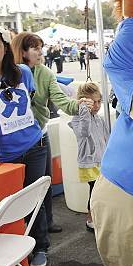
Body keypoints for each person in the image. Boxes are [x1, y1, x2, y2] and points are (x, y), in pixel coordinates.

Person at [11, 32, 92, 236]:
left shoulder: (45, 73)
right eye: (35, 48)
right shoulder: (9, 75)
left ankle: (47, 223)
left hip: (40, 136)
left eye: (41, 47)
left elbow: (61, 100)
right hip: (14, 142)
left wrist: (79, 104)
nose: (41, 52)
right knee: (22, 189)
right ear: (22, 51)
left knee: (44, 182)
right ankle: (28, 232)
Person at [0, 26, 48, 266]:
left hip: (34, 145)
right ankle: (11, 254)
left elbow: (29, 102)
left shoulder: (22, 72)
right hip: (4, 157)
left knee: (34, 201)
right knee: (7, 207)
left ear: (5, 48)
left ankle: (40, 246)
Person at [68, 83, 109, 231]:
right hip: (89, 163)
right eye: (93, 102)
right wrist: (84, 109)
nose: (97, 106)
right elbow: (84, 133)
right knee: (95, 191)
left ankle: (99, 216)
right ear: (83, 102)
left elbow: (106, 138)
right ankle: (90, 218)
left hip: (101, 162)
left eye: (99, 101)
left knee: (101, 192)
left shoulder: (99, 119)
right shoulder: (78, 119)